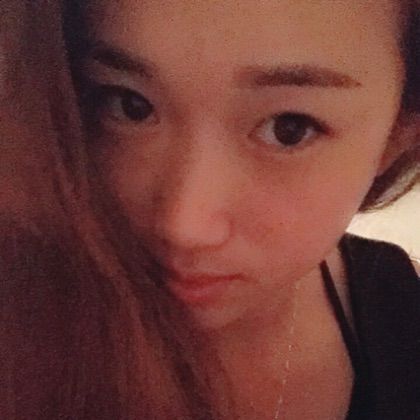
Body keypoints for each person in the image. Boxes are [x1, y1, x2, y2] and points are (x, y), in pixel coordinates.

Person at [1, 0, 419, 419]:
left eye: (289, 129)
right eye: (129, 105)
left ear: (396, 137)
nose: (184, 226)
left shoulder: (402, 316)